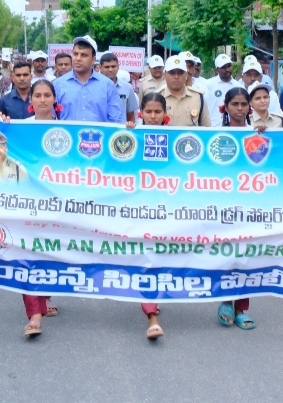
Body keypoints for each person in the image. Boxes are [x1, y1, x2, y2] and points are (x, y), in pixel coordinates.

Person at [0, 79, 63, 335]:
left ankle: (45, 296)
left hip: (58, 204)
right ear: (31, 100)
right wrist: (1, 124)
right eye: (38, 95)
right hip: (28, 203)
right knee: (28, 254)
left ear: (54, 99)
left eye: (47, 95)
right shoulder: (19, 129)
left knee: (51, 252)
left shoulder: (69, 129)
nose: (43, 100)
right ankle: (34, 315)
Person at [123, 92, 172, 339]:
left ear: (165, 114)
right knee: (146, 257)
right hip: (139, 208)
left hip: (168, 209)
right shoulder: (131, 135)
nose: (153, 116)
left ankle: (155, 296)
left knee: (161, 258)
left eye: (158, 112)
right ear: (140, 113)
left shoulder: (178, 138)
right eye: (149, 112)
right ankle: (151, 315)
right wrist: (126, 133)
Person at [216, 87, 259, 329]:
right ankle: (225, 300)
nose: (240, 109)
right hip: (223, 204)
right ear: (226, 107)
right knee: (225, 255)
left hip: (250, 204)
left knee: (245, 257)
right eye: (235, 104)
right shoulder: (215, 135)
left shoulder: (258, 133)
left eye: (244, 104)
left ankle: (242, 308)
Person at [52, 36, 124, 123]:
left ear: (93, 59)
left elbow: (117, 120)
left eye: (84, 55)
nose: (78, 58)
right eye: (75, 54)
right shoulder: (58, 85)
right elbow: (50, 118)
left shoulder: (107, 85)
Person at [157, 55, 210, 127]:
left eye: (180, 73)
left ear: (186, 74)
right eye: (172, 73)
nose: (176, 77)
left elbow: (206, 128)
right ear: (164, 75)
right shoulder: (156, 97)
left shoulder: (198, 97)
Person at [99, 53, 138, 123]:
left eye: (113, 66)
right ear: (100, 68)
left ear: (118, 66)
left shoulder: (127, 88)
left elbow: (130, 114)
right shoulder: (94, 87)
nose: (110, 69)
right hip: (99, 128)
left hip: (120, 128)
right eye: (107, 67)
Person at [206, 54, 242, 127]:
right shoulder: (208, 84)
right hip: (213, 127)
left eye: (229, 66)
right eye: (223, 67)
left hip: (232, 128)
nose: (227, 69)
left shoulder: (239, 86)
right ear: (216, 70)